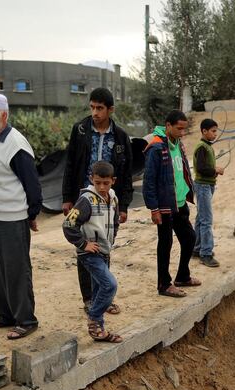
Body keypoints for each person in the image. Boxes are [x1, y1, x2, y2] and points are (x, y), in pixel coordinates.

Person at [0, 92, 42, 340]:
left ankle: (26, 319)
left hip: (12, 218)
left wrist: (32, 213)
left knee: (16, 270)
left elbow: (32, 184)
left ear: (3, 115)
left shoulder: (16, 143)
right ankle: (5, 315)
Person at [62, 87, 132, 315]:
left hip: (108, 200)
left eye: (99, 108)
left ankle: (104, 295)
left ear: (110, 109)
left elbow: (127, 171)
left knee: (104, 246)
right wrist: (67, 198)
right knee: (85, 248)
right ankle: (89, 299)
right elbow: (70, 164)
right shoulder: (80, 130)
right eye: (92, 107)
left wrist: (125, 205)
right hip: (85, 199)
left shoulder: (120, 136)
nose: (95, 112)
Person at [62, 161, 123, 343]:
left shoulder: (113, 197)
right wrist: (83, 244)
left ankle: (100, 331)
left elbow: (116, 221)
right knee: (109, 285)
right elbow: (68, 224)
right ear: (92, 180)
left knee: (98, 290)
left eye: (106, 183)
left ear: (113, 181)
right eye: (98, 183)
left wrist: (110, 240)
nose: (102, 187)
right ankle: (94, 318)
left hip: (104, 251)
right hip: (90, 254)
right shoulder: (86, 200)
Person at [143, 110, 200, 297]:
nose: (182, 132)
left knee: (189, 238)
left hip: (180, 203)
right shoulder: (156, 147)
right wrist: (154, 208)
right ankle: (164, 285)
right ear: (168, 126)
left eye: (184, 129)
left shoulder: (178, 144)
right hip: (165, 205)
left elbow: (182, 171)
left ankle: (183, 276)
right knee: (165, 244)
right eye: (179, 128)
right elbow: (149, 181)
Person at [192, 118, 225, 267]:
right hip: (203, 186)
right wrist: (215, 170)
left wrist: (213, 171)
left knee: (200, 218)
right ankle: (206, 253)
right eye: (212, 131)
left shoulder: (207, 146)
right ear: (204, 131)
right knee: (206, 220)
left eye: (215, 131)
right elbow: (200, 168)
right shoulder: (202, 147)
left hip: (207, 185)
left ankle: (196, 248)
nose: (215, 134)